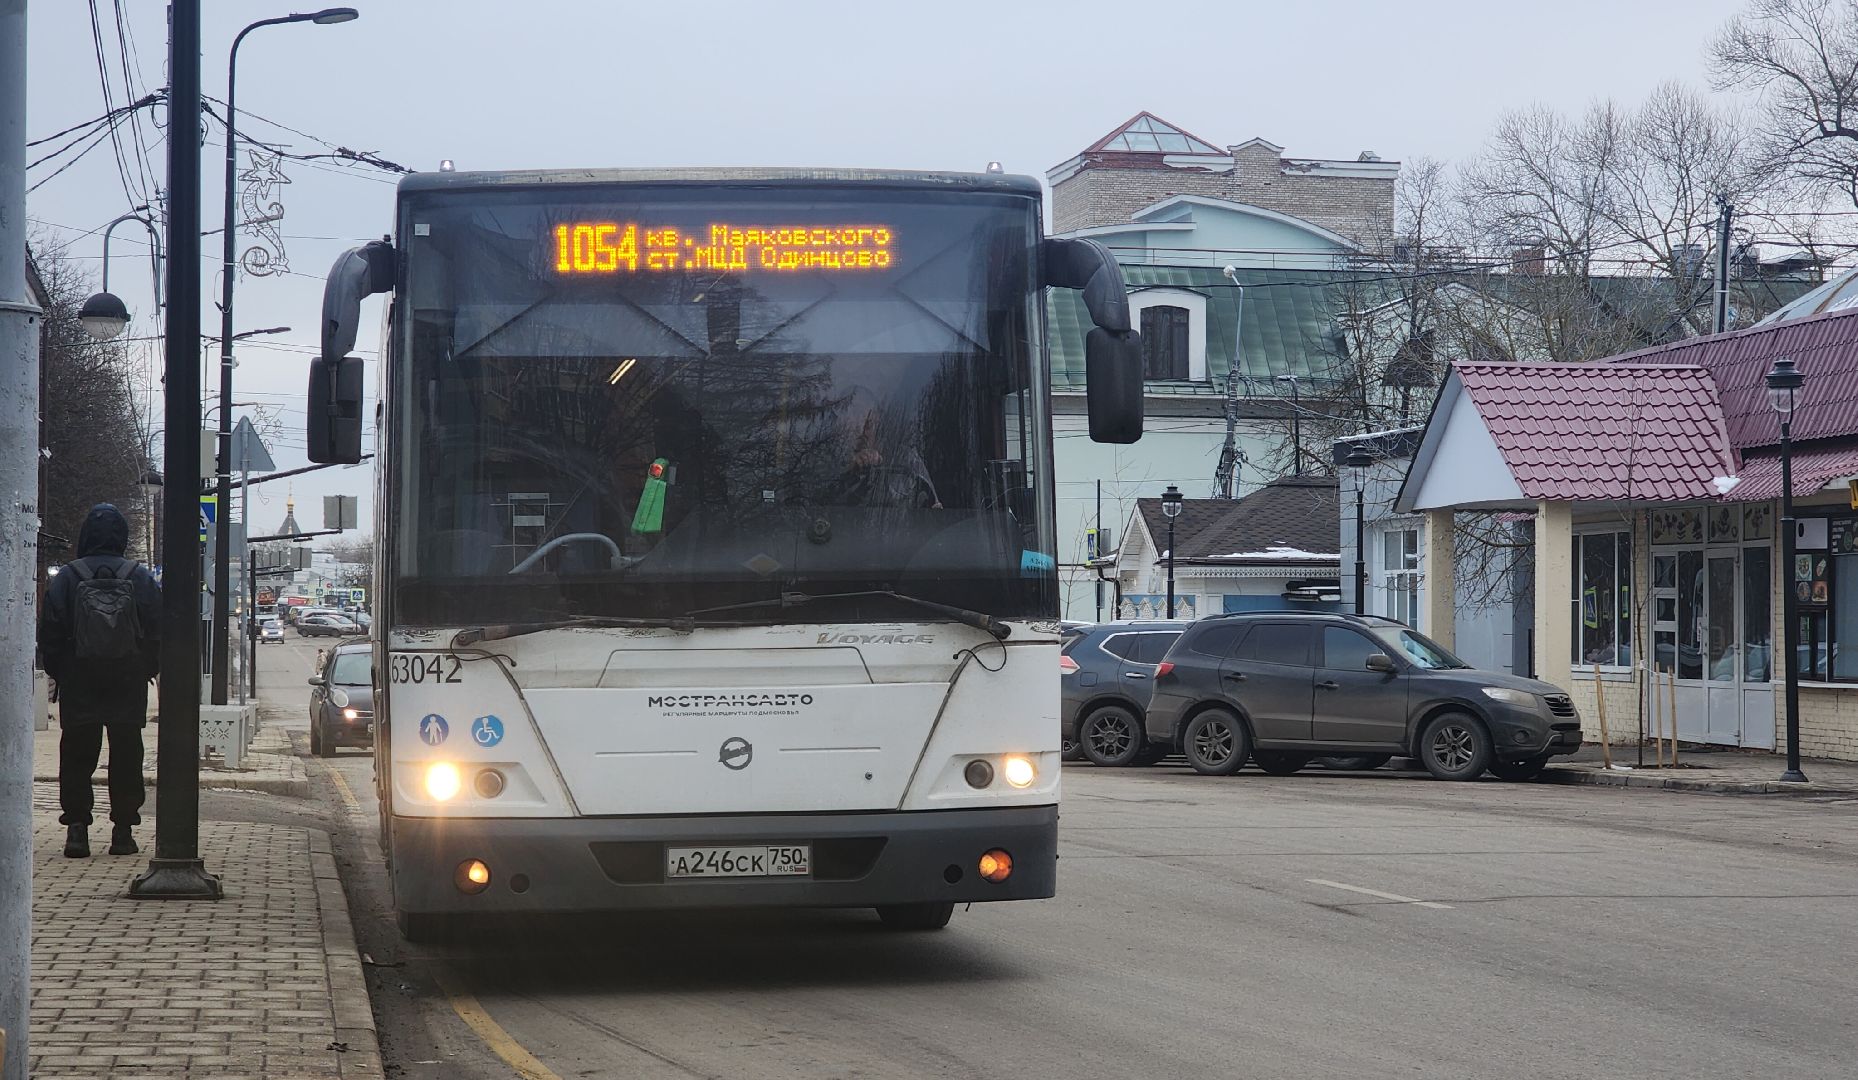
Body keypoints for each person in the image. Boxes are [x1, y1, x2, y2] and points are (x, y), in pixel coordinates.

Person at [38, 504, 161, 858]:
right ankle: (123, 832)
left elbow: (50, 633)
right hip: (127, 680)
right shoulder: (138, 577)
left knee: (77, 755)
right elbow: (157, 631)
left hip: (80, 681)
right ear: (122, 537)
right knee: (126, 754)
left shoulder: (67, 577)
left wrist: (63, 673)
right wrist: (144, 670)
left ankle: (77, 830)